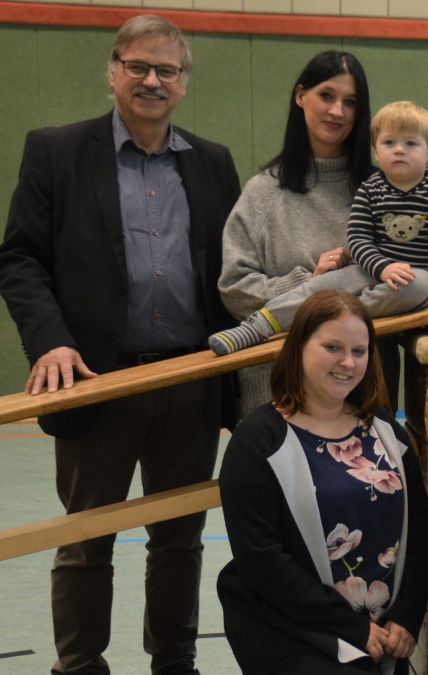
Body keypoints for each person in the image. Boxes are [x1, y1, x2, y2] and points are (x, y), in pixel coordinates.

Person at [0, 15, 239, 674]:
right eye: (138, 66)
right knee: (84, 538)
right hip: (94, 384)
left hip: (189, 385)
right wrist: (48, 342)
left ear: (184, 84)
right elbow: (19, 259)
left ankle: (175, 664)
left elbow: (235, 270)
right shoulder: (55, 151)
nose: (152, 80)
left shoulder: (214, 163)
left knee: (180, 540)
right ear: (113, 72)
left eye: (167, 70)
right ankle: (78, 667)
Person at [217, 290, 428, 674]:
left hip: (381, 633)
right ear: (298, 346)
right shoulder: (257, 443)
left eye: (360, 350)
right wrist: (350, 626)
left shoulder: (387, 432)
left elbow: (420, 531)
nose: (348, 362)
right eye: (332, 347)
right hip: (293, 628)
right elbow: (262, 561)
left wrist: (406, 615)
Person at [209, 101, 428, 354]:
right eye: (389, 142)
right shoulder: (370, 189)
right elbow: (358, 239)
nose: (399, 150)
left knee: (413, 287)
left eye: (410, 143)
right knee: (321, 286)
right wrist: (382, 267)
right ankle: (258, 326)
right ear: (376, 152)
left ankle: (323, 318)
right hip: (371, 268)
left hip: (418, 275)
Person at [218, 50, 375, 416]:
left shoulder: (378, 190)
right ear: (300, 96)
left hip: (360, 390)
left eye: (350, 102)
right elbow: (234, 288)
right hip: (278, 386)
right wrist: (307, 284)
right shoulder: (264, 192)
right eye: (327, 96)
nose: (337, 111)